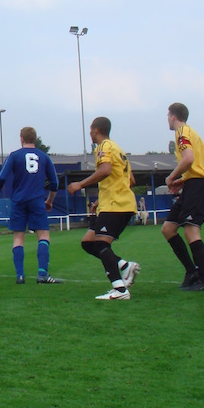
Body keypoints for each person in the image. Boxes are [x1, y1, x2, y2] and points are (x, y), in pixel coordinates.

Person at [67, 117, 140, 300]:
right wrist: (101, 199)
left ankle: (120, 290)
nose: (90, 133)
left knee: (100, 244)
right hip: (120, 203)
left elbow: (105, 170)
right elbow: (130, 180)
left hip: (115, 205)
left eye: (90, 130)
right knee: (88, 243)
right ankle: (124, 266)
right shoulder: (119, 150)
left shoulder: (103, 147)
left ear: (96, 130)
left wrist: (80, 184)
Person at [0, 126, 61, 285]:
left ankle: (20, 276)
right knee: (43, 236)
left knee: (18, 238)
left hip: (18, 201)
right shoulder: (44, 157)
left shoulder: (14, 156)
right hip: (37, 201)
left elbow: (2, 177)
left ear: (21, 139)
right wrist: (49, 200)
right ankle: (42, 274)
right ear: (35, 139)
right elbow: (54, 182)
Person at [162, 103, 204, 291]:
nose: (167, 119)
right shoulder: (194, 134)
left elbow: (189, 159)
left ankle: (203, 281)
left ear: (173, 116)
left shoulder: (181, 132)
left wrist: (171, 177)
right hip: (194, 185)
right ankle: (192, 272)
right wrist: (184, 180)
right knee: (168, 229)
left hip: (197, 187)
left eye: (168, 116)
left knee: (191, 231)